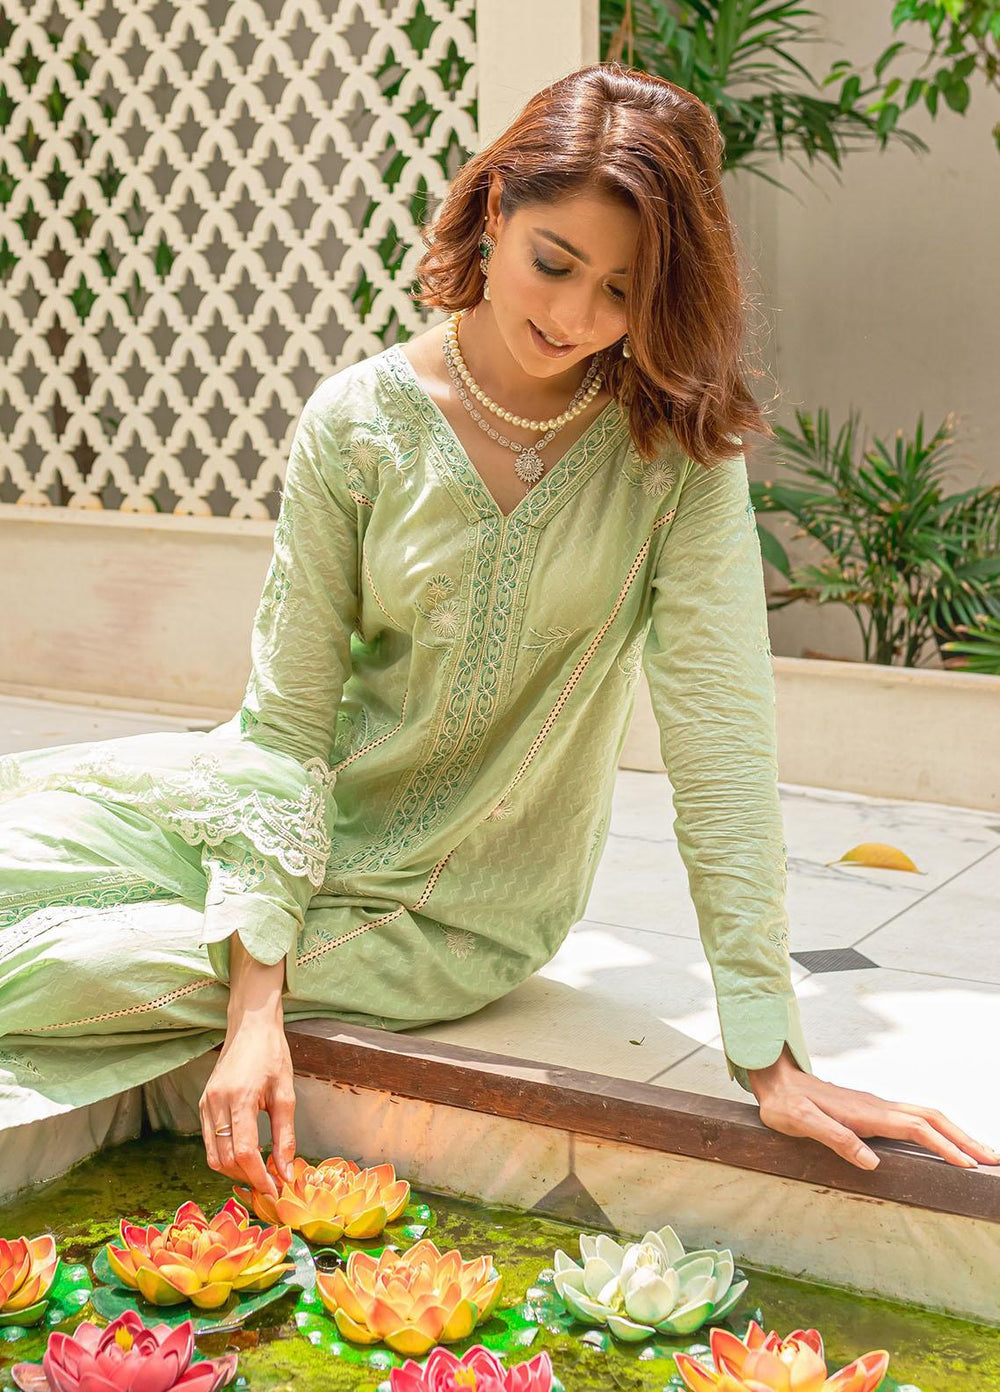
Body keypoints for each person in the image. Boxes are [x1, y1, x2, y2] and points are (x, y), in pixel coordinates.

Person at [1, 64, 994, 1199]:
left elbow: (719, 745)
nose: (574, 319)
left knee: (70, 968)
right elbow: (285, 729)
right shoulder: (358, 422)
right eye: (553, 264)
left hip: (451, 913)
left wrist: (769, 1055)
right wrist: (257, 1007)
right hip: (277, 821)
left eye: (621, 291)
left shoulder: (674, 459)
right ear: (492, 211)